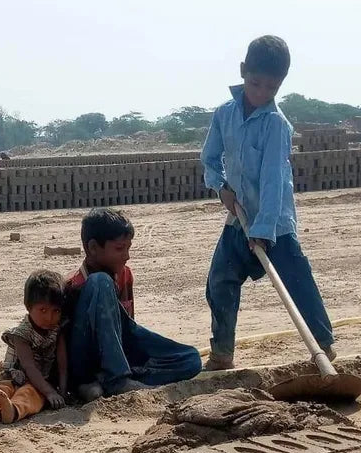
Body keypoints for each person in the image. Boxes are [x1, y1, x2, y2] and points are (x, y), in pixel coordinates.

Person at [201, 35, 335, 371]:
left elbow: (275, 181)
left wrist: (263, 230)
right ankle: (221, 353)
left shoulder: (277, 125)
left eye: (270, 88)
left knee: (297, 283)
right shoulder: (224, 115)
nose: (261, 93)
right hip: (238, 219)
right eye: (255, 83)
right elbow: (210, 158)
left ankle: (323, 347)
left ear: (281, 85)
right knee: (220, 281)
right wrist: (221, 189)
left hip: (274, 224)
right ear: (243, 71)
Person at [65, 208, 202, 400]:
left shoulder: (124, 275)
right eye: (120, 249)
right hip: (87, 363)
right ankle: (115, 380)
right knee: (100, 282)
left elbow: (128, 325)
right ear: (93, 248)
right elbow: (69, 345)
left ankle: (114, 378)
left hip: (118, 354)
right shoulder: (75, 285)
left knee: (190, 359)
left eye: (128, 248)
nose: (127, 256)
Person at [0, 270, 69, 424]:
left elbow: (63, 365)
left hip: (38, 383)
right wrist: (50, 392)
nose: (49, 318)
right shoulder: (21, 335)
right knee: (1, 389)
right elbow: (29, 367)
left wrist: (63, 392)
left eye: (55, 311)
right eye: (43, 310)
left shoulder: (57, 331)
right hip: (15, 375)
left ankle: (12, 409)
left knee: (29, 394)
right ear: (28, 307)